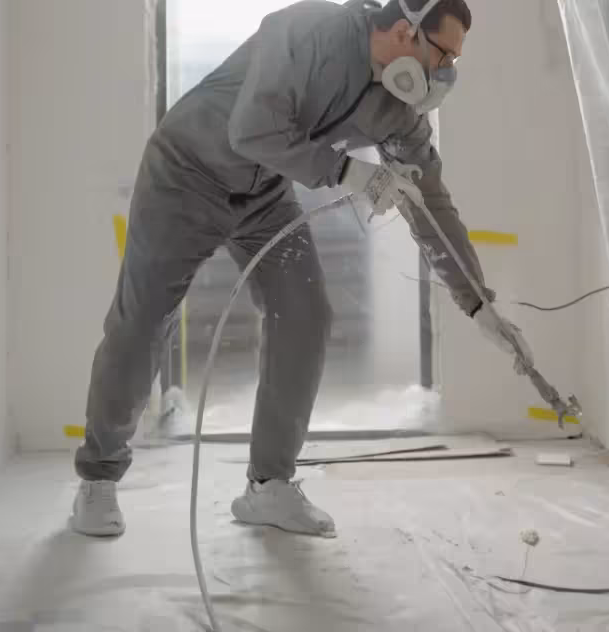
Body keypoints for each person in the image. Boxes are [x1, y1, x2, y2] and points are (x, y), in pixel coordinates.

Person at [70, 0, 532, 538]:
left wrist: (478, 304)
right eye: (444, 55)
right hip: (185, 174)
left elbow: (430, 200)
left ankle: (269, 487)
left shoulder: (400, 109)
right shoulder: (310, 29)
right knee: (144, 320)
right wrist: (347, 172)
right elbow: (252, 130)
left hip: (263, 193)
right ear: (406, 31)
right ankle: (98, 479)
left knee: (305, 313)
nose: (445, 73)